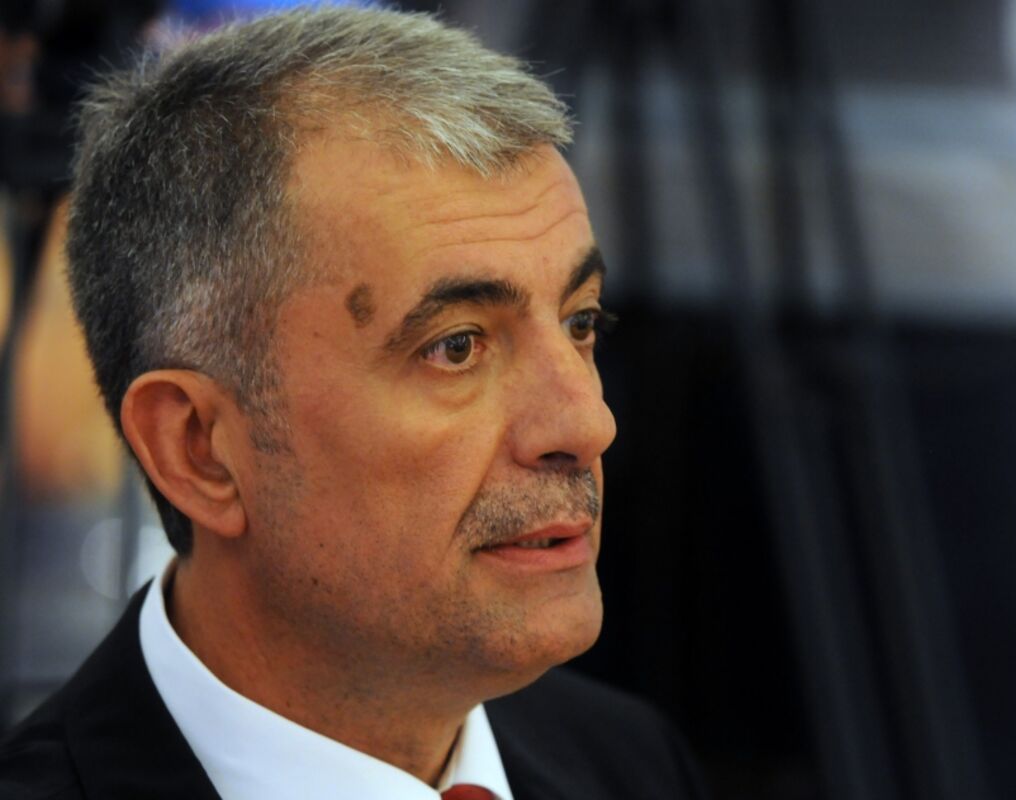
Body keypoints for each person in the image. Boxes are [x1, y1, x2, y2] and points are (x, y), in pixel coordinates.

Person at [0, 7, 709, 799]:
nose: (587, 423)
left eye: (581, 323)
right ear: (199, 448)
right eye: (457, 347)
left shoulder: (631, 763)